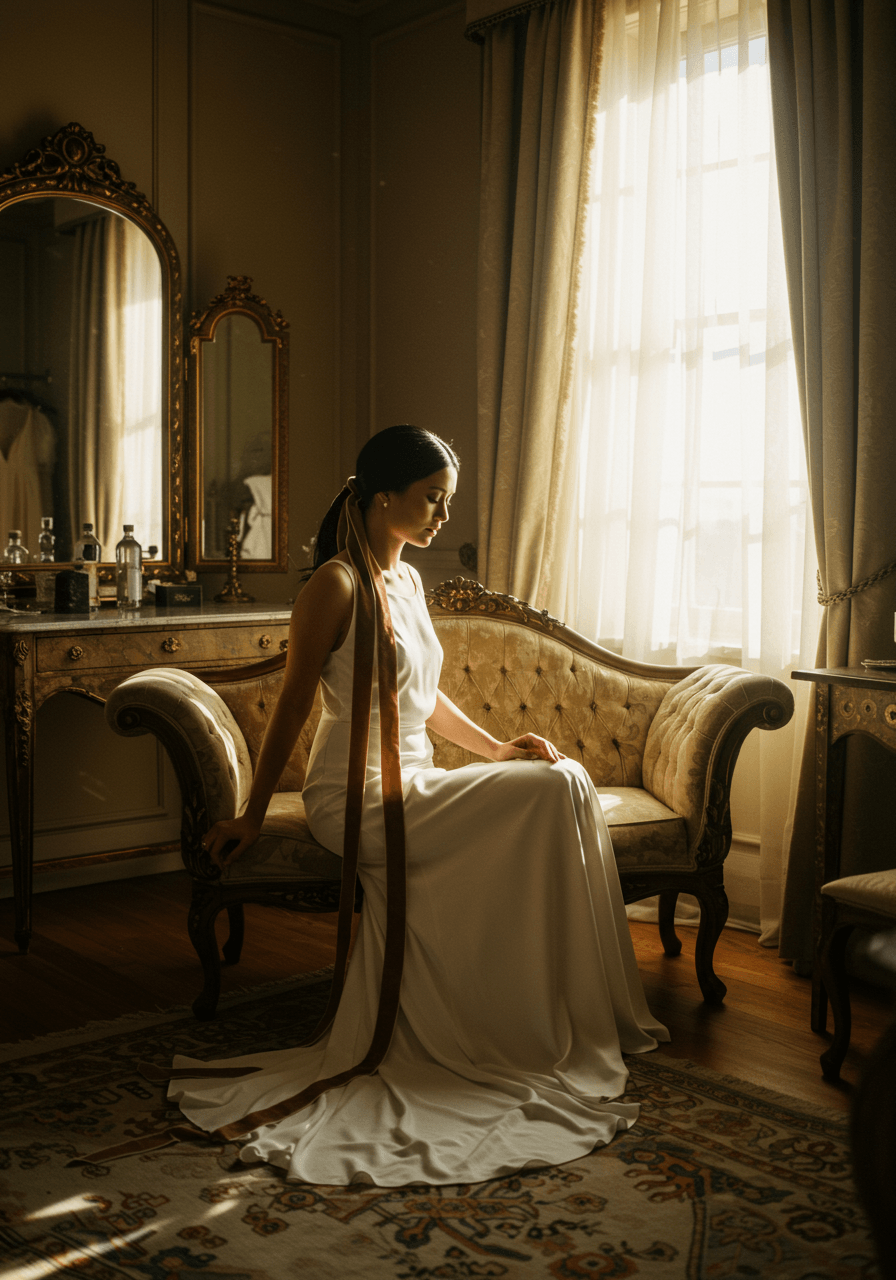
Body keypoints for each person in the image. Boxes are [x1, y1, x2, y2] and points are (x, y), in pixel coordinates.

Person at [173, 424, 670, 1186]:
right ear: (381, 499)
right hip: (357, 793)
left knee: (560, 778)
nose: (443, 515)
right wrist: (247, 812)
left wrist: (500, 749)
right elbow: (295, 707)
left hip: (416, 778)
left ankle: (556, 1012)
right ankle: (526, 1018)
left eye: (448, 500)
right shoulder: (335, 585)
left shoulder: (405, 581)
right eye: (432, 499)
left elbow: (427, 699)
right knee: (553, 789)